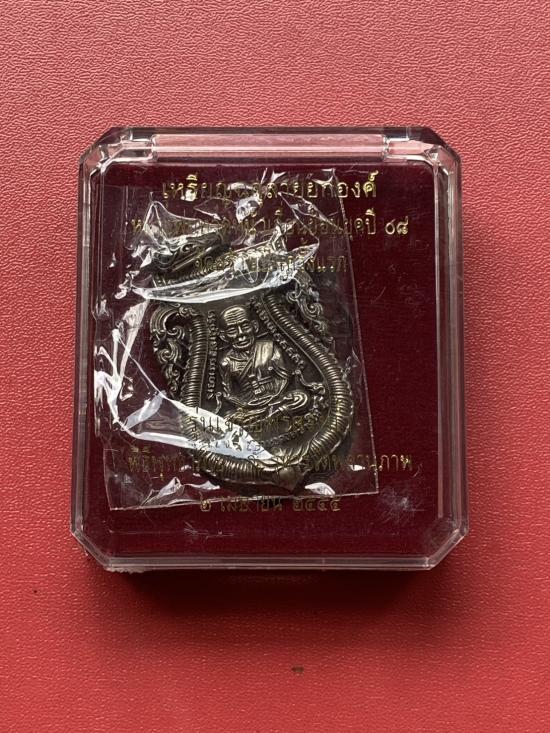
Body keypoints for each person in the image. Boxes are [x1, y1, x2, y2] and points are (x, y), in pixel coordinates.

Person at [218, 305, 309, 433]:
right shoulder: (226, 362)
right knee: (227, 419)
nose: (241, 334)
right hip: (251, 407)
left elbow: (284, 377)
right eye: (232, 331)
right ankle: (272, 418)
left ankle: (268, 419)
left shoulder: (269, 348)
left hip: (277, 399)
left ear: (255, 326)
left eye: (245, 326)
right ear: (223, 336)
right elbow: (229, 394)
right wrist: (246, 404)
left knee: (301, 398)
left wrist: (273, 395)